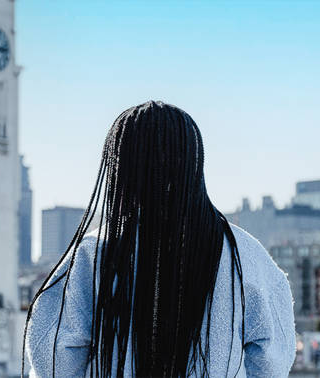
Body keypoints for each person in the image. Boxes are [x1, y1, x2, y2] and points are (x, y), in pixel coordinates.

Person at [23, 101, 296, 377]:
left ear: (121, 167)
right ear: (194, 162)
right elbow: (272, 360)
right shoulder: (244, 256)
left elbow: (53, 360)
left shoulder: (93, 255)